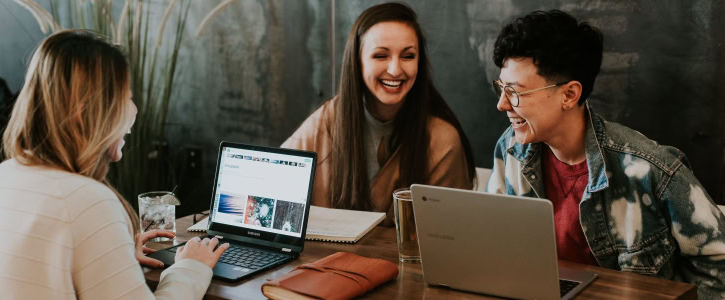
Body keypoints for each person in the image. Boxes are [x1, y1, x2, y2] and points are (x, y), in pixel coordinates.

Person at [485, 10, 725, 298]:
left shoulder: (651, 169)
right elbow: (495, 250)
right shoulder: (511, 149)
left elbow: (718, 267)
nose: (502, 104)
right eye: (501, 87)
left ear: (569, 95)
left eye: (514, 92)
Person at [0, 30, 228, 299]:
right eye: (126, 98)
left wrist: (112, 256)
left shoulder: (1, 178)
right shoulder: (86, 201)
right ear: (89, 111)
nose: (134, 111)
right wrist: (191, 267)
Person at [282, 2, 474, 226]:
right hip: (324, 260)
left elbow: (450, 235)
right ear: (358, 61)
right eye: (381, 56)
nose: (395, 70)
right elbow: (273, 182)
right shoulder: (327, 119)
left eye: (408, 56)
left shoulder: (442, 140)